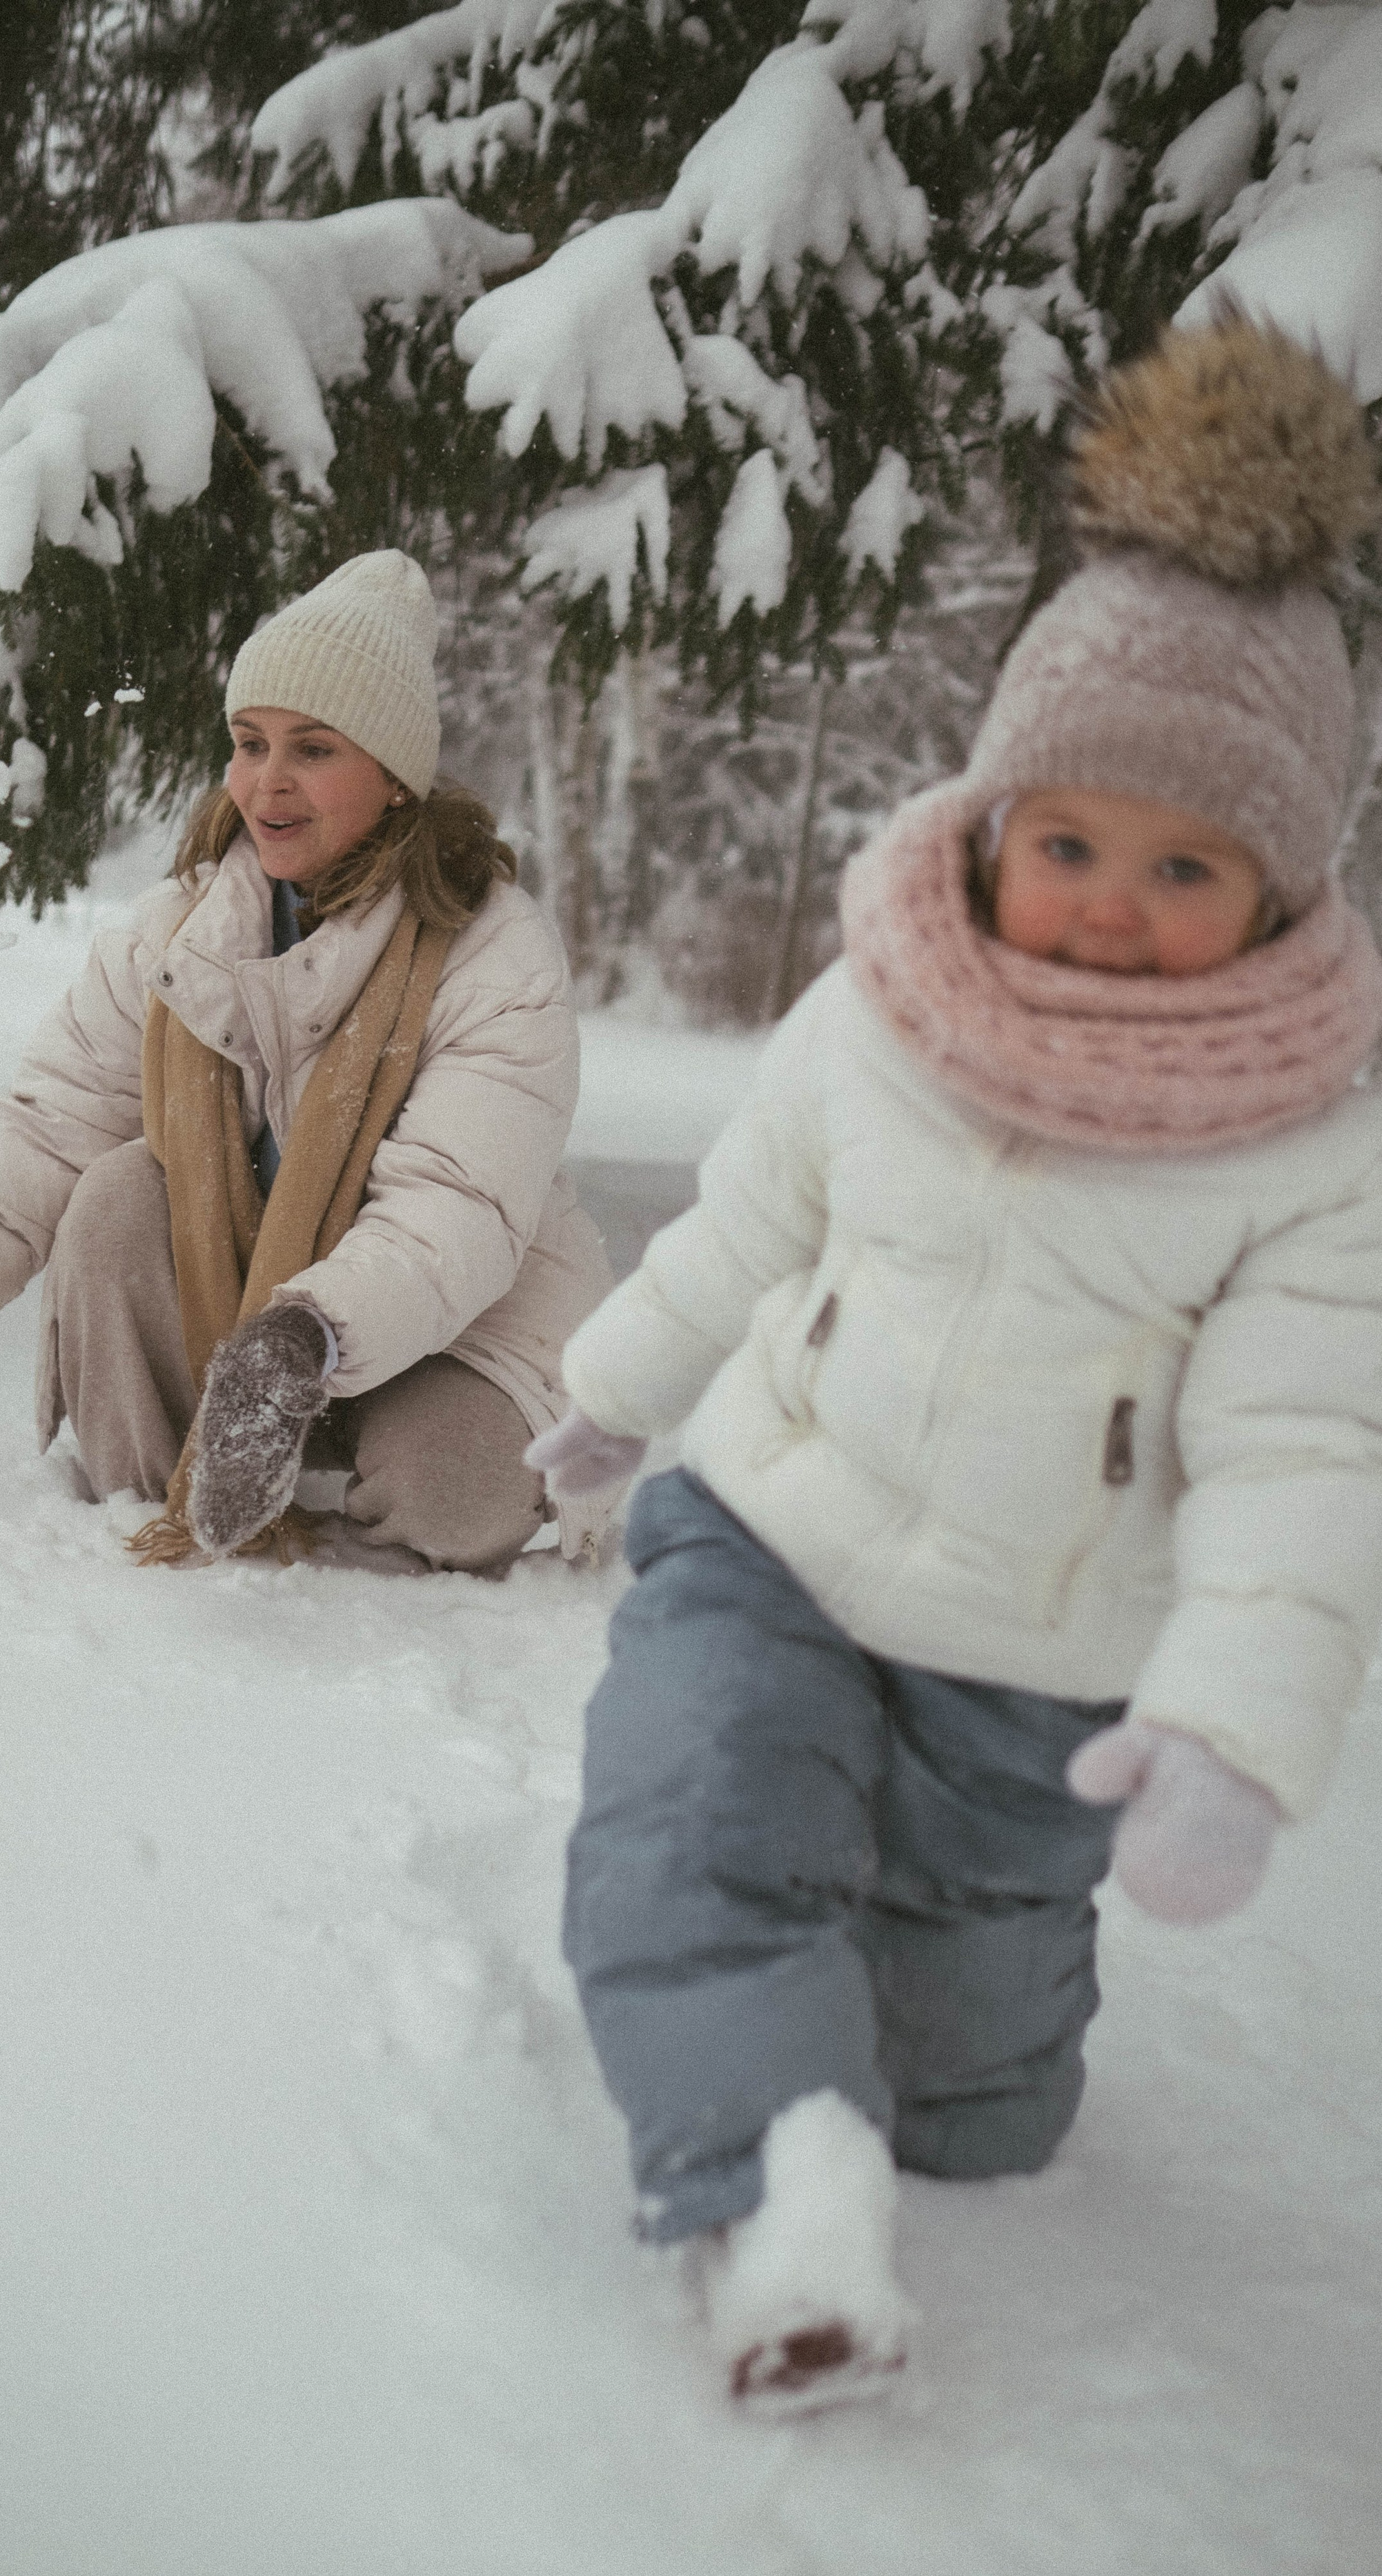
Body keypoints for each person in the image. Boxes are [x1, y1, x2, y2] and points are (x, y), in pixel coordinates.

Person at [525, 320, 1382, 2412]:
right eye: (1071, 843)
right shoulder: (881, 1008)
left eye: (1186, 872)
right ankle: (783, 2195)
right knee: (693, 1823)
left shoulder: (1315, 1143)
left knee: (983, 2113)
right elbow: (748, 1219)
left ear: (1281, 894)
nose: (1106, 907)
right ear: (997, 819)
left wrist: (1232, 1735)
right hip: (777, 1538)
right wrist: (622, 1389)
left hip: (1042, 1665)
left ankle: (897, 2104)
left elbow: (1305, 1454)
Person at [0, 551, 615, 1574]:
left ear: (396, 781)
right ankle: (162, 1499)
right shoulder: (176, 932)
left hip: (459, 1320)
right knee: (118, 1190)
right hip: (244, 1333)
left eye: (314, 749)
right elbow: (55, 1119)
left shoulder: (492, 950)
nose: (268, 782)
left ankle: (326, 1490)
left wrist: (302, 1341)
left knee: (457, 1498)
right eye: (249, 743)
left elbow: (457, 1205)